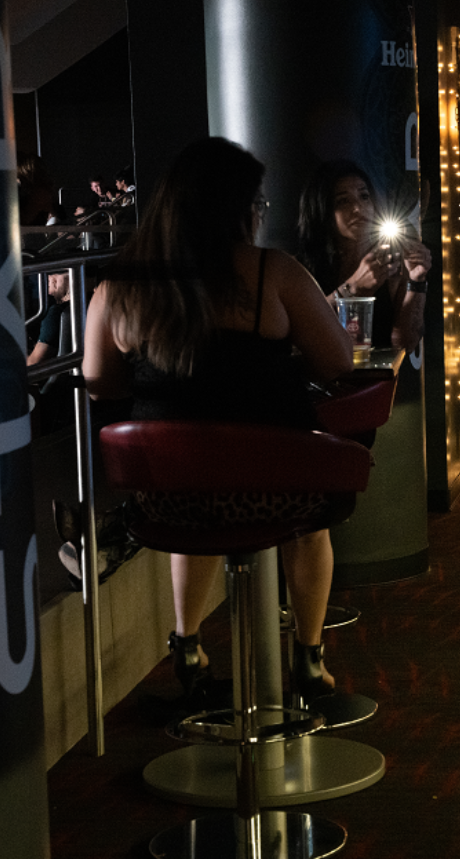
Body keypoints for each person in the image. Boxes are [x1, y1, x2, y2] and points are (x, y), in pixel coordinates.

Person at [82, 137, 355, 701]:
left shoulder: (118, 288)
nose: (260, 215)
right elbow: (337, 362)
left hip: (167, 500)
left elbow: (101, 384)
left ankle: (187, 643)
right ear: (238, 207)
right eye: (258, 204)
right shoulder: (272, 273)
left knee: (191, 476)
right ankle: (307, 656)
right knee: (310, 523)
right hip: (278, 493)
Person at [296, 159, 430, 353]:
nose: (358, 208)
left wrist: (417, 281)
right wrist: (354, 288)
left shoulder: (394, 266)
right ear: (322, 210)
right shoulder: (300, 268)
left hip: (376, 381)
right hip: (317, 381)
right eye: (343, 201)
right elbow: (299, 331)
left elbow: (404, 345)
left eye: (364, 196)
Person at [27, 271, 71, 366]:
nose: (48, 279)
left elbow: (33, 364)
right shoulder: (93, 303)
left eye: (51, 274)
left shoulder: (56, 313)